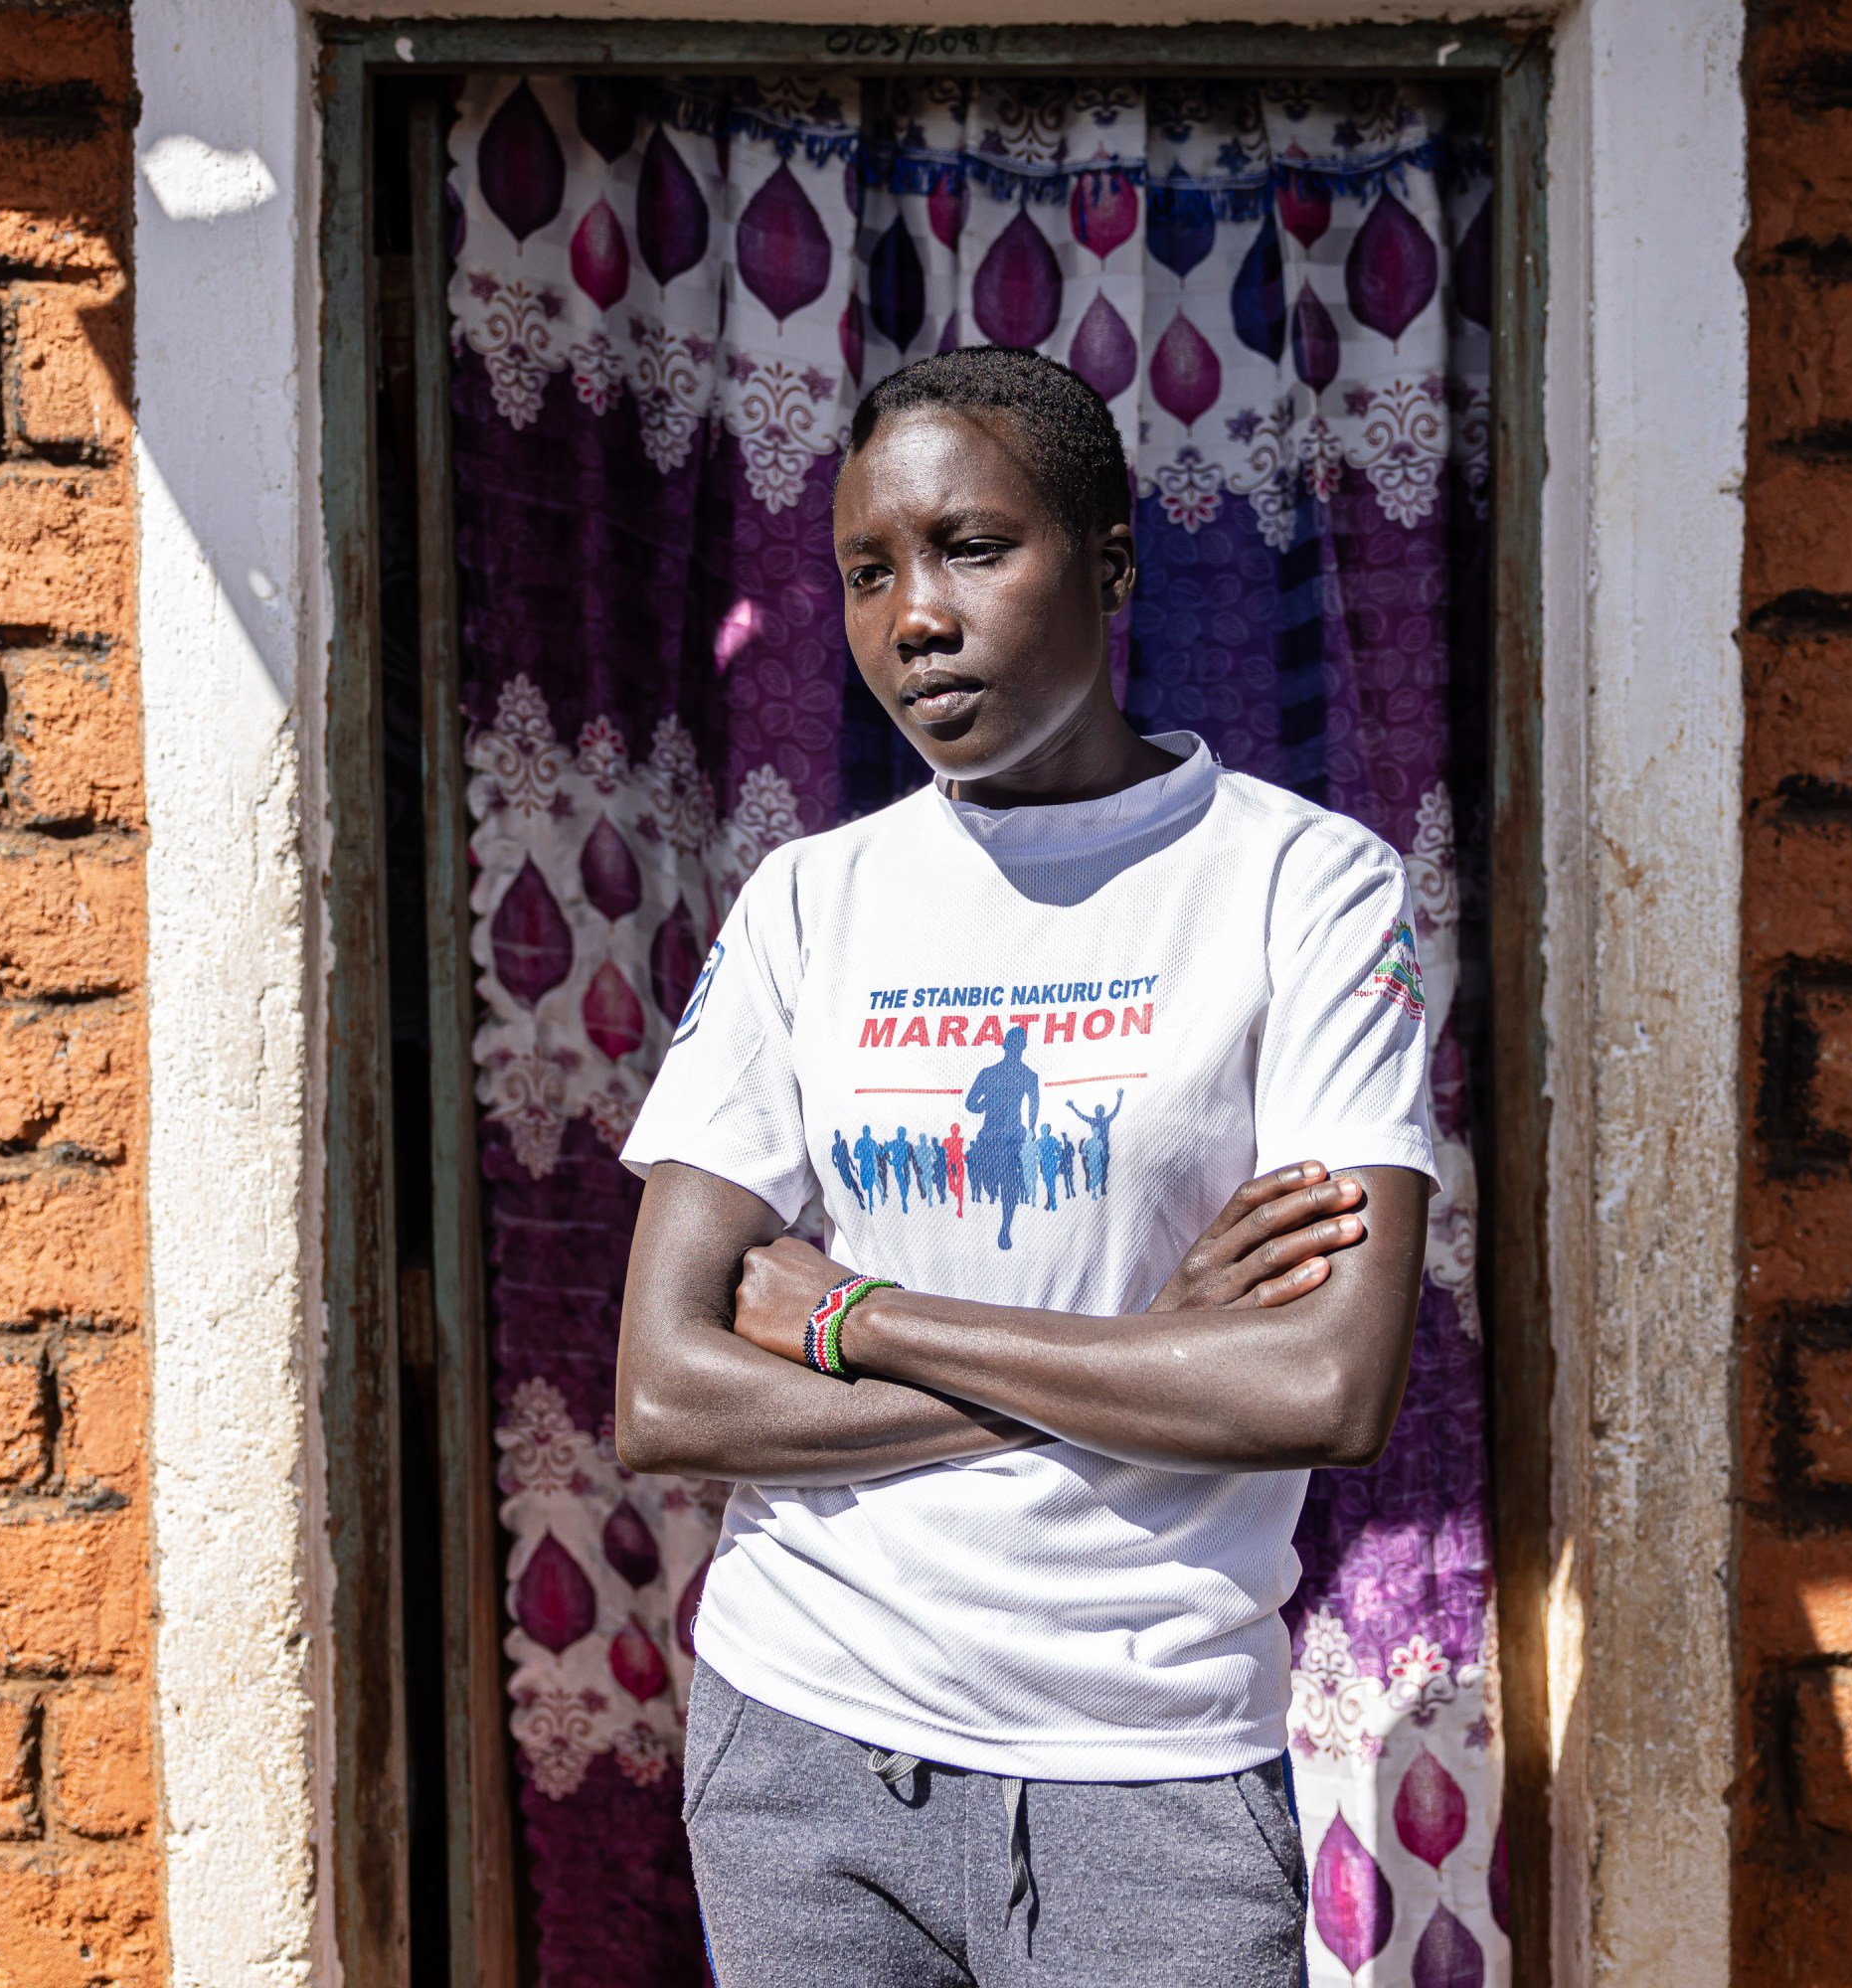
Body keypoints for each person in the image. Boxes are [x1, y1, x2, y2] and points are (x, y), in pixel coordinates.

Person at [618, 347, 1434, 1988]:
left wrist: (862, 1318)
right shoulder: (807, 905)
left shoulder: (1301, 889)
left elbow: (1325, 1391)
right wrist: (1152, 1350)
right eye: (866, 572)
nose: (914, 615)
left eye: (974, 548)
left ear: (1113, 563)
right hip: (807, 1750)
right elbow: (665, 1395)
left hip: (1149, 1765)